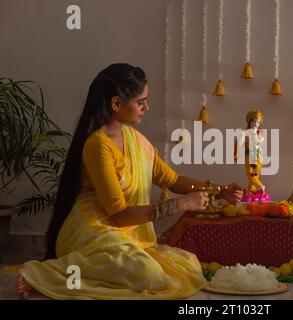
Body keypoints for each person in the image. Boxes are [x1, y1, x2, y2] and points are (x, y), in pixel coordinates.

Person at [16, 63, 243, 299]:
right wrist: (180, 204)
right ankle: (44, 272)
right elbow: (119, 215)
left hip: (128, 233)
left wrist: (220, 190)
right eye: (140, 101)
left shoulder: (137, 140)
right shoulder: (98, 145)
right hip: (94, 230)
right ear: (116, 103)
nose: (147, 107)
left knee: (187, 264)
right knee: (148, 275)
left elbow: (173, 180)